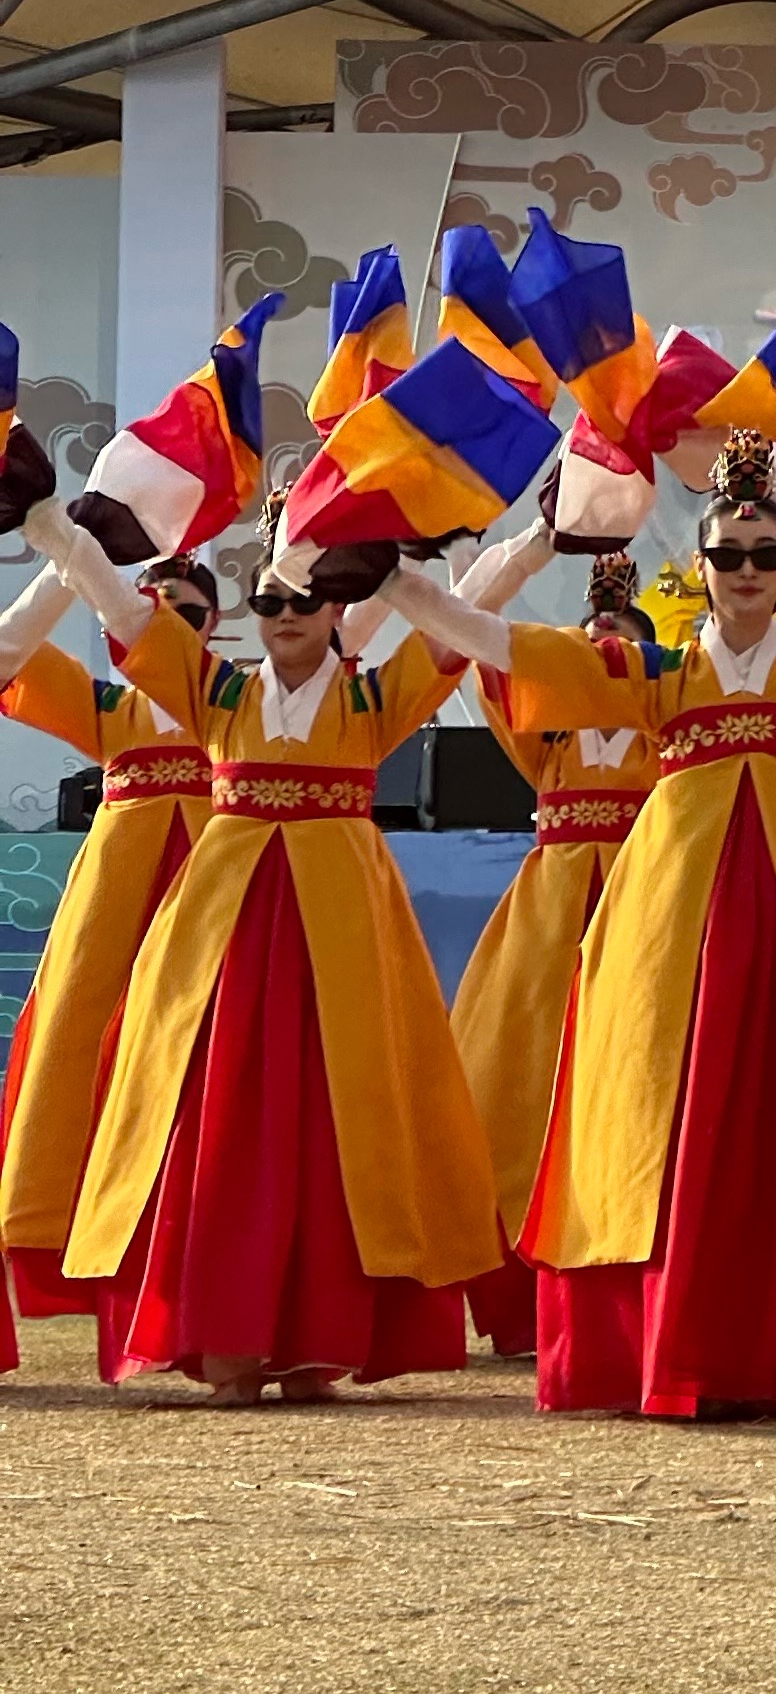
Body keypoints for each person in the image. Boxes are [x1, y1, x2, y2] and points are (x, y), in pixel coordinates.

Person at [381, 428, 776, 1419]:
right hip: (675, 931)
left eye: (764, 555)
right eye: (726, 555)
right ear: (701, 567)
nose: (743, 572)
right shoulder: (657, 675)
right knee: (668, 1119)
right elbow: (502, 645)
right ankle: (678, 1345)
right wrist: (393, 580)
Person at [22, 494, 494, 1400]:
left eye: (303, 602)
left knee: (336, 1130)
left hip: (343, 954)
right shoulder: (216, 693)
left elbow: (463, 631)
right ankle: (226, 1338)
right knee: (224, 1127)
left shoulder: (369, 700)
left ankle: (319, 1340)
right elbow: (122, 610)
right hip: (227, 948)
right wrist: (50, 526)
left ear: (335, 613)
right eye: (269, 604)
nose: (284, 619)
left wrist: (420, 567)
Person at [447, 531, 660, 1360]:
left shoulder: (662, 730)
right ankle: (524, 1296)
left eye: (625, 644)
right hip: (551, 918)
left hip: (645, 899)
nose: (607, 654)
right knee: (524, 1089)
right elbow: (473, 628)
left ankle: (631, 1290)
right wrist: (512, 548)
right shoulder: (547, 734)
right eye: (592, 642)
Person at [0, 553, 212, 1361]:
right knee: (89, 1061)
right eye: (147, 614)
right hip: (117, 910)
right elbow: (8, 655)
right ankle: (90, 1250)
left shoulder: (237, 702)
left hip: (213, 897)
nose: (165, 630)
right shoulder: (107, 709)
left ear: (213, 629)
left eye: (185, 617)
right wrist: (68, 557)